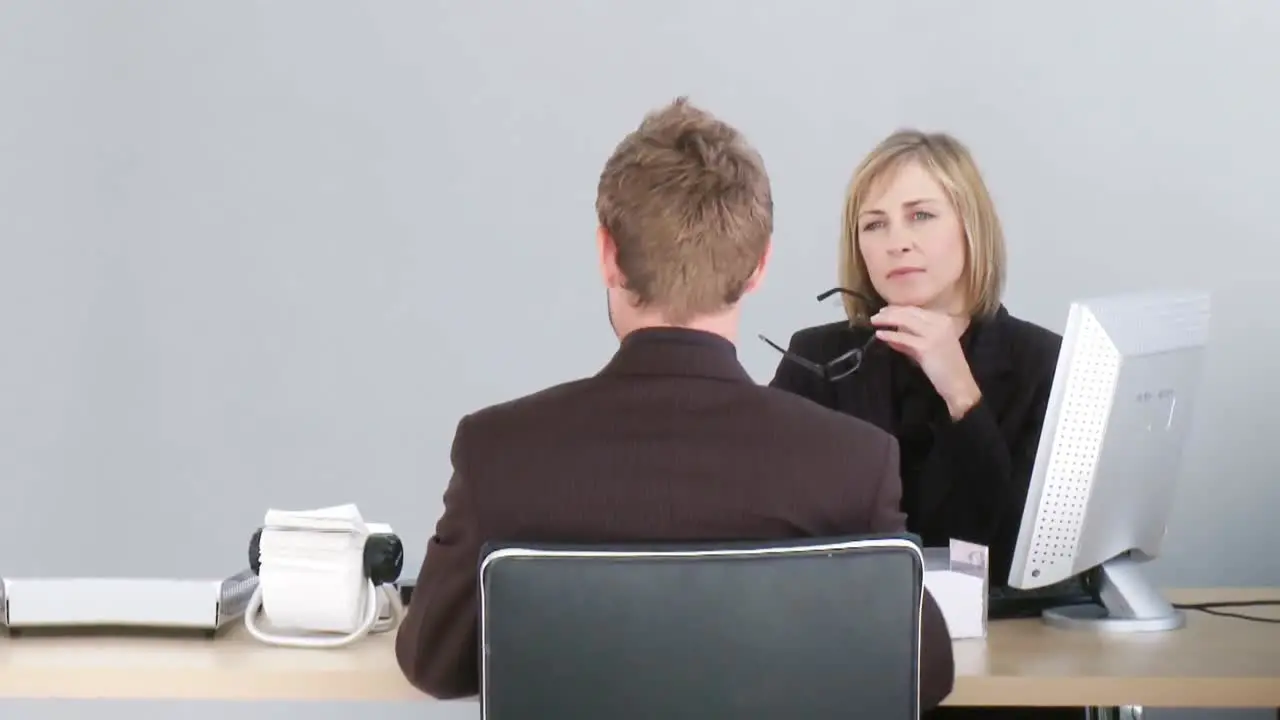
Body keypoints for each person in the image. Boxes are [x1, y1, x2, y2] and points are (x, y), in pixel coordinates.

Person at [395, 99, 956, 711]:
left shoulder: (498, 451)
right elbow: (927, 675)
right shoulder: (853, 462)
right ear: (758, 266)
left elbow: (432, 663)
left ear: (609, 256)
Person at [766, 129, 1070, 719]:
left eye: (921, 216)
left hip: (1007, 681)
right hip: (850, 666)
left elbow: (1028, 565)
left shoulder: (1043, 362)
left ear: (969, 228)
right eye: (874, 224)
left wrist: (961, 392)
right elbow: (773, 536)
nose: (896, 242)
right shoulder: (816, 356)